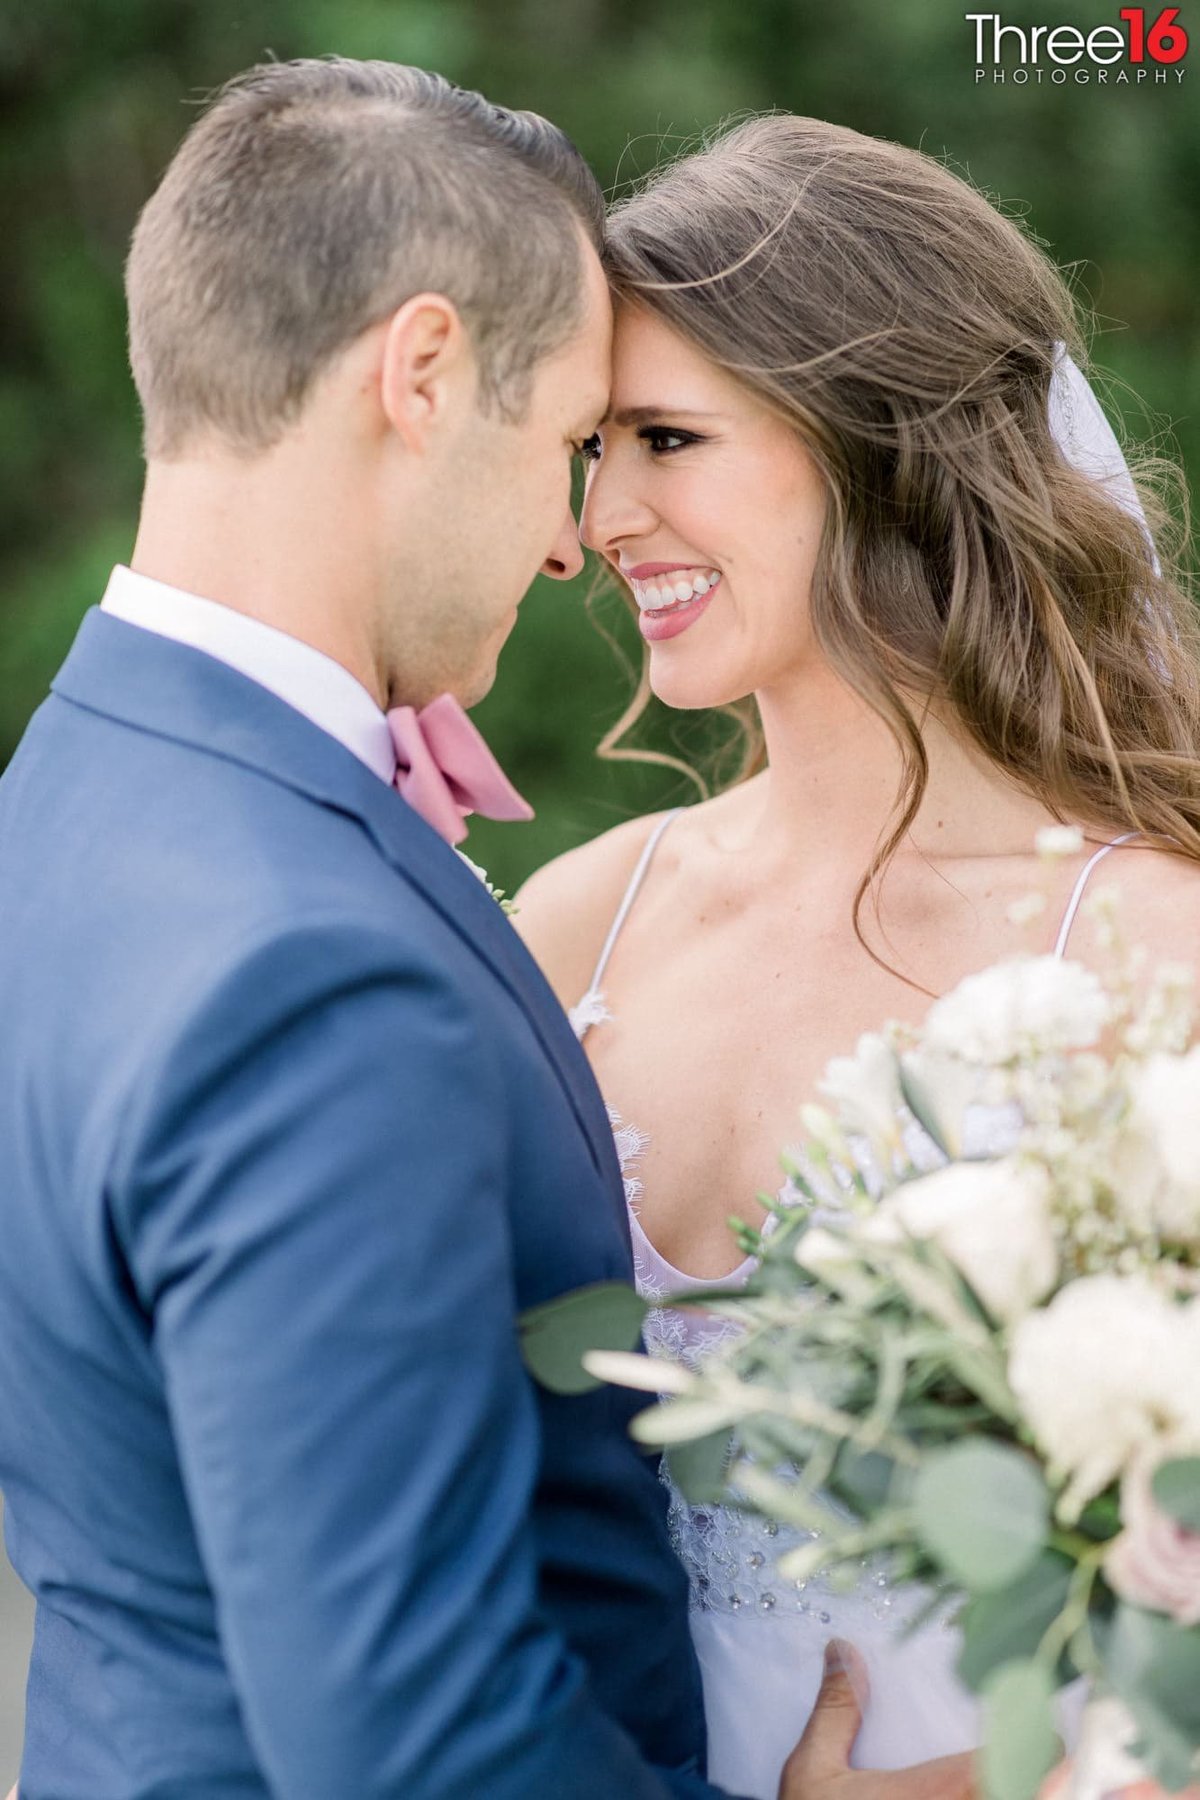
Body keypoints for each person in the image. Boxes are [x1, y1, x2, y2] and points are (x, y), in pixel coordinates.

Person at [0, 60, 933, 1800]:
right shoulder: (306, 965)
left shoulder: (62, 797)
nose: (580, 538)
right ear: (421, 374)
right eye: (574, 438)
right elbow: (410, 1735)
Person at [514, 114, 1200, 1800]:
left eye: (669, 438)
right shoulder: (572, 927)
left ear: (876, 438)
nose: (608, 517)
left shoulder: (1146, 947)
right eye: (596, 449)